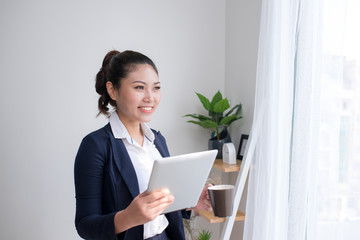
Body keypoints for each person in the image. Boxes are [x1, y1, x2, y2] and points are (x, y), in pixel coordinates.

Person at [74, 50, 211, 240]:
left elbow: (160, 205)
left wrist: (189, 200)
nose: (150, 97)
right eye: (139, 87)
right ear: (113, 90)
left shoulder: (156, 140)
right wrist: (128, 217)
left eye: (156, 88)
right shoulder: (95, 146)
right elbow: (85, 225)